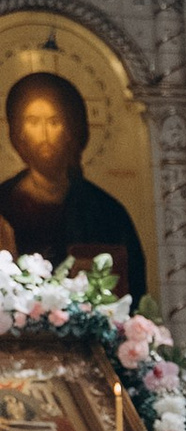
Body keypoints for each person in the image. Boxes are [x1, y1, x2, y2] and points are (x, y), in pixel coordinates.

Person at [0, 72, 146, 301]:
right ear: (19, 132)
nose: (45, 134)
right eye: (33, 122)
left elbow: (132, 292)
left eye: (54, 122)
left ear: (70, 131)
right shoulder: (3, 204)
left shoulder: (107, 213)